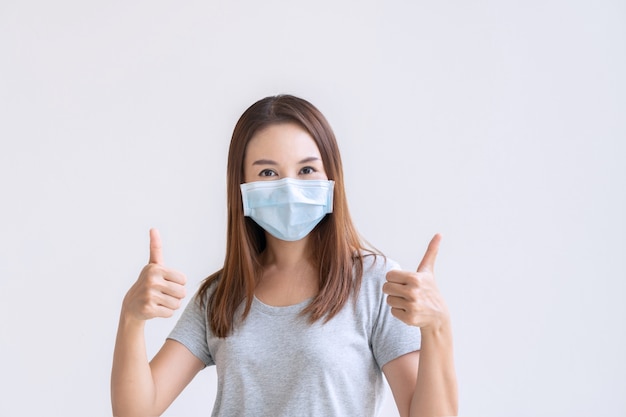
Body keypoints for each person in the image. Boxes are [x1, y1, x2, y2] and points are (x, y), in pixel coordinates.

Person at [111, 94, 458, 417]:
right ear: (242, 186)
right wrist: (131, 317)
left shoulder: (373, 283)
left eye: (306, 170)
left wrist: (437, 327)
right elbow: (136, 410)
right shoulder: (221, 294)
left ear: (330, 177)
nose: (289, 187)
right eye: (267, 172)